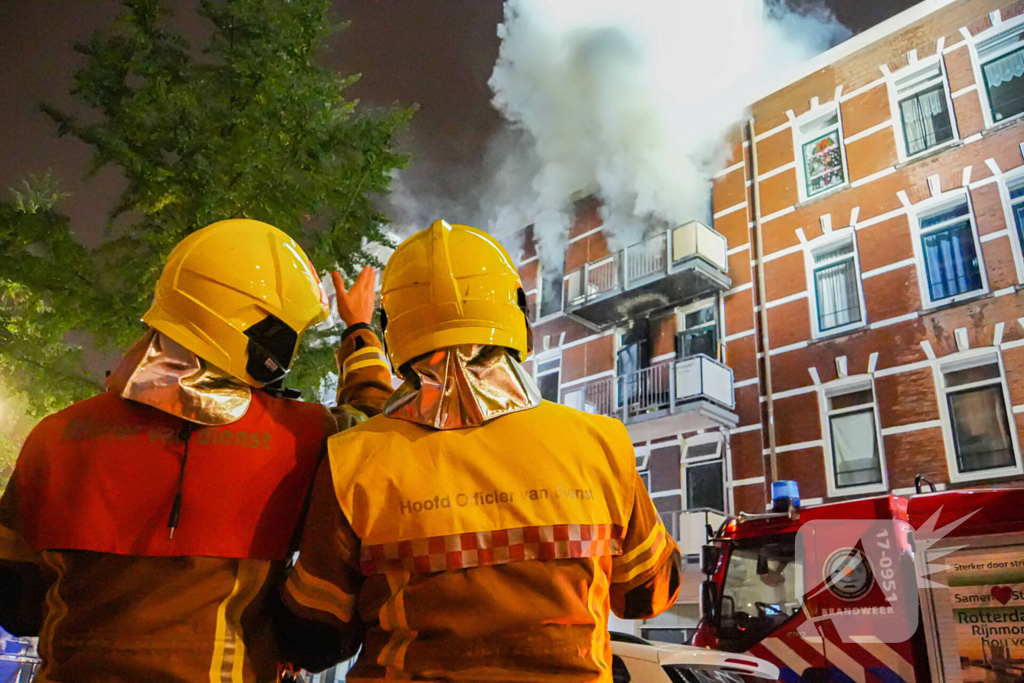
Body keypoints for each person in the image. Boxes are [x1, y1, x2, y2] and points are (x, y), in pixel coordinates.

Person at [277, 219, 681, 682]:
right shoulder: (600, 444)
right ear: (518, 314)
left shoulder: (353, 459)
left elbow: (315, 636)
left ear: (394, 334)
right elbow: (647, 594)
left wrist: (357, 332)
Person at [0, 218, 391, 682]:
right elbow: (376, 434)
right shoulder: (302, 436)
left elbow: (17, 604)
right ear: (263, 335)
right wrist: (359, 330)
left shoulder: (56, 434)